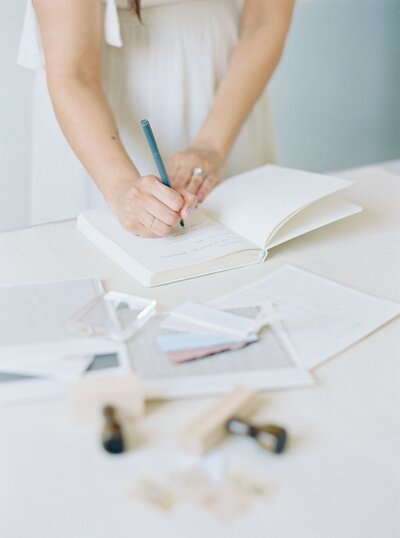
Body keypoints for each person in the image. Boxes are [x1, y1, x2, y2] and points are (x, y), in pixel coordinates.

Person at [18, 0, 294, 237]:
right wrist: (120, 187)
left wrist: (212, 145)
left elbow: (266, 20)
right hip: (94, 127)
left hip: (229, 97)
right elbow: (74, 72)